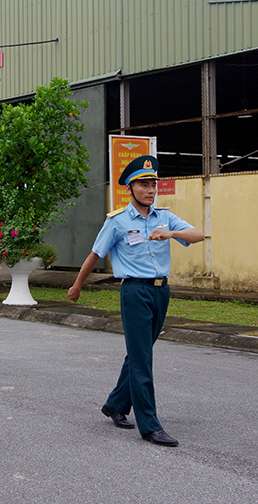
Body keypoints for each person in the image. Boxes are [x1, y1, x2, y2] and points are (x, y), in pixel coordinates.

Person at [68, 155, 204, 447]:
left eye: (153, 184)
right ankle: (150, 425)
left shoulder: (165, 217)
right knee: (143, 359)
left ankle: (115, 405)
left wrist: (169, 233)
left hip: (161, 291)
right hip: (135, 292)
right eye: (143, 184)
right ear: (130, 188)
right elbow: (95, 254)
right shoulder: (117, 221)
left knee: (138, 354)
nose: (150, 190)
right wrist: (77, 285)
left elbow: (198, 235)